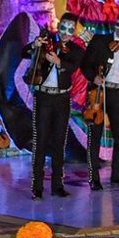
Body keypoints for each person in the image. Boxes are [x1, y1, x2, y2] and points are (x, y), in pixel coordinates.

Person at [79, 13, 119, 189]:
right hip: (98, 93)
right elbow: (85, 64)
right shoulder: (100, 41)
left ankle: (117, 174)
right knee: (95, 135)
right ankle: (94, 178)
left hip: (118, 93)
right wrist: (94, 78)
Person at [23, 18, 72, 198]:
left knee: (59, 142)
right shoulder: (47, 42)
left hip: (62, 98)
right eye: (64, 27)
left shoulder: (74, 49)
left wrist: (59, 62)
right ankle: (37, 186)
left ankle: (58, 185)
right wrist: (34, 45)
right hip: (43, 96)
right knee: (40, 141)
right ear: (59, 27)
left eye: (70, 29)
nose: (66, 32)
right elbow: (24, 52)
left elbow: (74, 64)